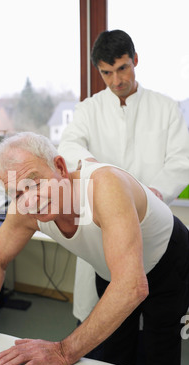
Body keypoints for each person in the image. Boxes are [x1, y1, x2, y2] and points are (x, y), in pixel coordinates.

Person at [0, 132, 189, 365]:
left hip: (167, 258)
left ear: (59, 167)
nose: (31, 200)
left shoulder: (105, 186)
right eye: (17, 193)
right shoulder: (24, 208)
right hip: (112, 269)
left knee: (160, 352)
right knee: (115, 350)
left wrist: (63, 351)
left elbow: (132, 287)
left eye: (36, 183)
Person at [57, 29, 189, 328]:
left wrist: (154, 192)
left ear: (135, 61)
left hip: (151, 221)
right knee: (106, 326)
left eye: (122, 68)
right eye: (106, 73)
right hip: (101, 225)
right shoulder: (89, 109)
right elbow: (68, 147)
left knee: (155, 323)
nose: (116, 81)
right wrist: (96, 171)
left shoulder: (165, 108)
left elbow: (182, 159)